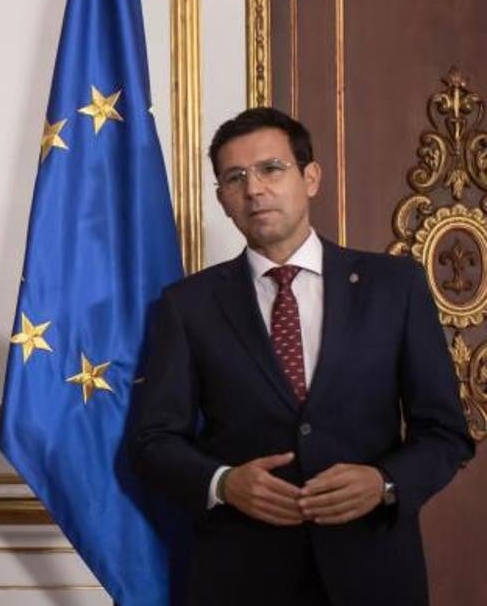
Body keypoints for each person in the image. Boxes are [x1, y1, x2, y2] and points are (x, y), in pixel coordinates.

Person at [130, 107, 473, 606]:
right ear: (223, 200)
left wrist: (384, 482)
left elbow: (445, 434)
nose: (254, 189)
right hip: (241, 578)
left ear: (310, 178)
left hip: (374, 575)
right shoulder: (188, 306)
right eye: (235, 178)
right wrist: (223, 484)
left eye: (271, 169)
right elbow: (153, 441)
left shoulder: (393, 288)